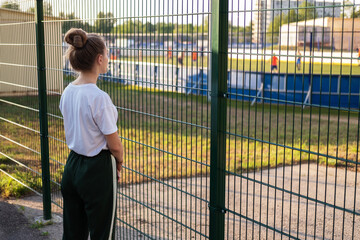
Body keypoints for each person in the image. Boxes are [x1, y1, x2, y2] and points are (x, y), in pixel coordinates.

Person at [59, 28, 124, 240]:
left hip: (72, 166)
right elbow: (114, 145)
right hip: (97, 170)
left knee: (73, 233)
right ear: (99, 58)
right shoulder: (99, 98)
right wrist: (119, 163)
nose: (108, 58)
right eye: (107, 54)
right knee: (101, 233)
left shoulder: (68, 91)